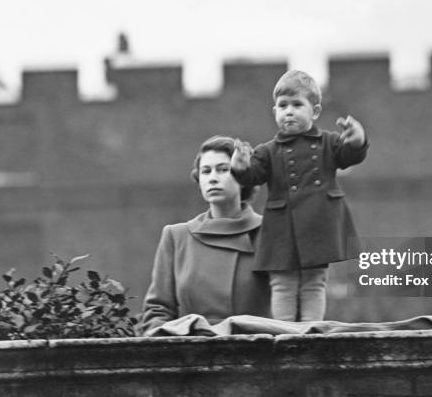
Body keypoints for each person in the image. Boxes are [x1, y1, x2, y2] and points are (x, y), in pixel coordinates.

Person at [231, 69, 369, 322]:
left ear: (314, 112)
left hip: (319, 223)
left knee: (314, 281)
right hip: (282, 227)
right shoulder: (268, 151)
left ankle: (310, 331)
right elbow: (252, 177)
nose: (289, 111)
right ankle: (285, 332)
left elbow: (350, 157)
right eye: (282, 106)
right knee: (283, 282)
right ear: (274, 112)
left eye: (297, 104)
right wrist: (240, 166)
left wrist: (357, 141)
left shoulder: (328, 142)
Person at [142, 136, 270, 334]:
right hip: (191, 357)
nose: (212, 178)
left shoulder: (270, 233)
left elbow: (290, 307)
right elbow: (157, 312)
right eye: (206, 171)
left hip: (257, 354)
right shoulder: (177, 237)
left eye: (223, 169)